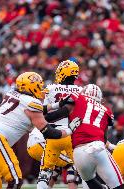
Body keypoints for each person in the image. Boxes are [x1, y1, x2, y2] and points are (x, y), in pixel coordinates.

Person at [45, 84, 124, 189]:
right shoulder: (106, 110)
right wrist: (112, 147)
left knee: (89, 181)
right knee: (119, 187)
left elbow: (52, 117)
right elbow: (104, 138)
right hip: (97, 147)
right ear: (99, 98)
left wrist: (41, 114)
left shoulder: (77, 98)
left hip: (78, 153)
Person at [37, 59, 82, 189]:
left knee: (45, 172)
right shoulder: (80, 90)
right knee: (82, 171)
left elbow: (42, 110)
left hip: (54, 134)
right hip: (73, 136)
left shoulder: (50, 88)